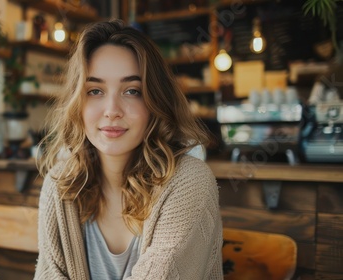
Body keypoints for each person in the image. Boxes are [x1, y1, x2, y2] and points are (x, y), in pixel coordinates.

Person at [35, 19, 223, 280]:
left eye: (132, 91)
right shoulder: (60, 185)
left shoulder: (190, 183)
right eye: (95, 91)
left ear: (154, 101)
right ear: (78, 102)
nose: (112, 110)